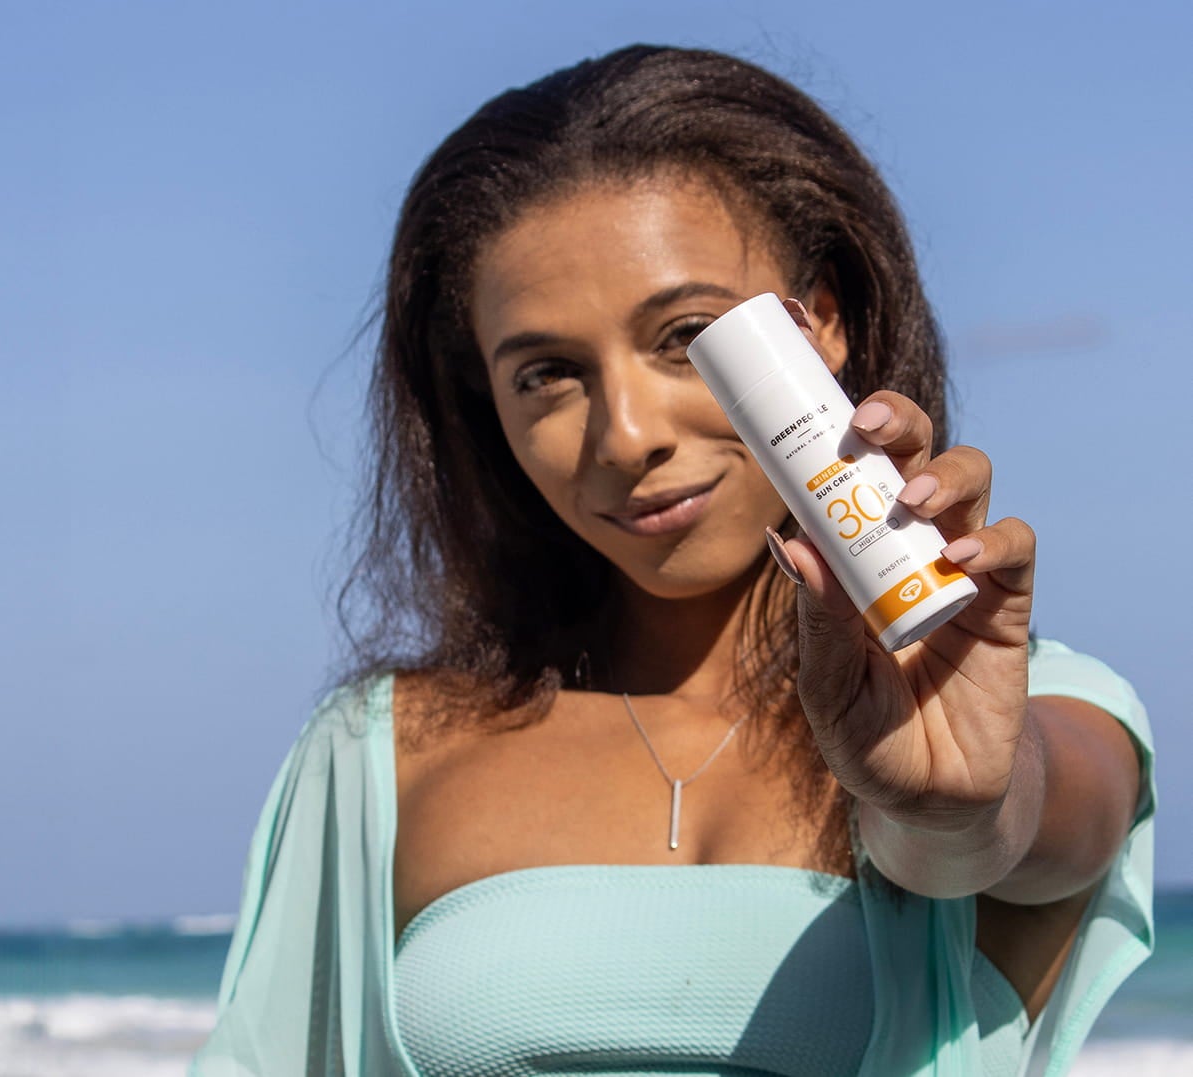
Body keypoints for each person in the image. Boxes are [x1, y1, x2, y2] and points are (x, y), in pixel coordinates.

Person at [189, 44, 1156, 1077]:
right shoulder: (384, 752)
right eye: (548, 375)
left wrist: (946, 807)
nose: (623, 436)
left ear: (817, 321)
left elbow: (1000, 832)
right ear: (486, 402)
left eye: (687, 336)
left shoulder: (1030, 721)